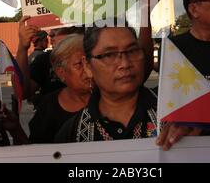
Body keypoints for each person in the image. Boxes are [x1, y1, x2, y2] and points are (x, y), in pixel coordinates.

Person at [54, 21, 189, 149]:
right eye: (109, 55)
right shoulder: (72, 133)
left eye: (132, 51)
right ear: (88, 66)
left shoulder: (179, 112)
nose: (125, 64)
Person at [0, 34, 93, 144]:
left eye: (90, 62)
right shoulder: (48, 106)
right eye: (79, 64)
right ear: (61, 73)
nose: (88, 69)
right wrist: (15, 129)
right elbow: (36, 152)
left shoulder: (109, 97)